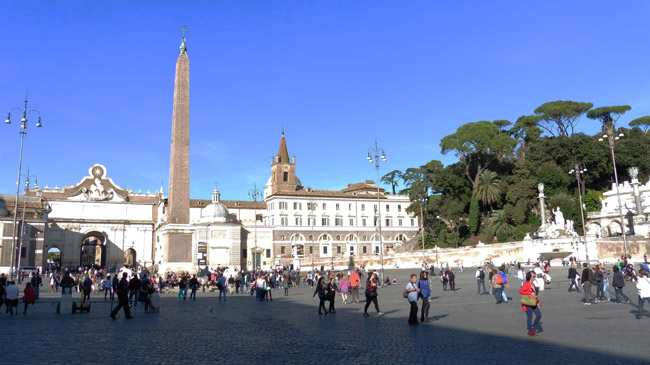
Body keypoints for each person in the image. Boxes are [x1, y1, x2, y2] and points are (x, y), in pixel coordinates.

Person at [520, 271, 542, 337]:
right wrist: (529, 294)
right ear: (530, 277)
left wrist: (537, 303)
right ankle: (530, 331)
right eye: (533, 276)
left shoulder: (533, 284)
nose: (535, 277)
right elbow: (521, 291)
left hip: (534, 302)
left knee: (539, 315)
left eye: (535, 276)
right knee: (530, 317)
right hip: (528, 303)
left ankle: (532, 327)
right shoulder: (526, 284)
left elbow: (534, 294)